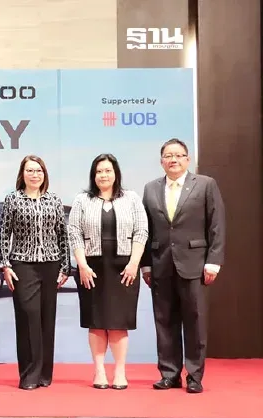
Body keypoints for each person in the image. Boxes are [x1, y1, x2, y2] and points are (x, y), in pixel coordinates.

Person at [141, 138, 225, 394]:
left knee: (195, 321)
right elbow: (146, 230)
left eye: (178, 155)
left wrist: (213, 261)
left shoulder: (205, 184)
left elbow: (217, 225)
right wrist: (146, 265)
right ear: (161, 162)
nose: (173, 160)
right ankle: (169, 374)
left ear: (188, 160)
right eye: (168, 156)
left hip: (195, 264)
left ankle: (195, 376)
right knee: (164, 321)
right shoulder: (150, 189)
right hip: (161, 264)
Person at [67, 154, 147, 390]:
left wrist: (134, 263)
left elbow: (142, 231)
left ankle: (120, 372)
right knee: (97, 321)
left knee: (119, 322)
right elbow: (74, 233)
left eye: (108, 170)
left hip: (124, 268)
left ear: (116, 173)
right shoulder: (82, 200)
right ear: (93, 175)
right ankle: (99, 371)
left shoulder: (131, 198)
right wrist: (82, 265)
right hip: (91, 268)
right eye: (99, 171)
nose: (103, 175)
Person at [0, 155, 70, 390]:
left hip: (51, 264)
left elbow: (62, 235)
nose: (35, 174)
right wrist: (5, 265)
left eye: (38, 170)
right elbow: (3, 233)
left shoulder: (54, 200)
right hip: (22, 265)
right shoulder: (13, 199)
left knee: (46, 320)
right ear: (22, 174)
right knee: (28, 318)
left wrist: (65, 266)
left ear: (44, 174)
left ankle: (44, 374)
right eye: (30, 170)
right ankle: (29, 374)